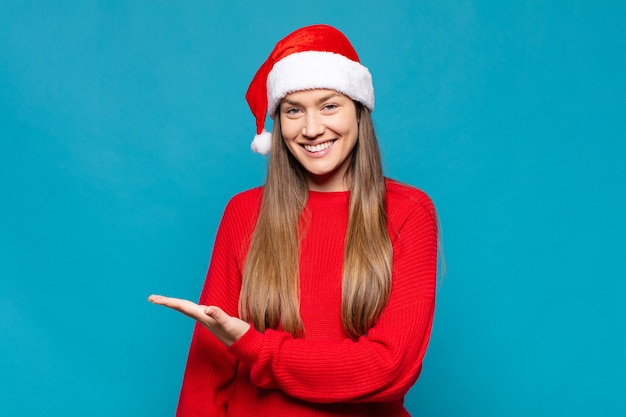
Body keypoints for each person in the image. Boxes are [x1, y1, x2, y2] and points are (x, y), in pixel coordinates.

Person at [149, 24, 440, 417]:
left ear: (359, 110)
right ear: (278, 123)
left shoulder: (407, 211)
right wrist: (238, 343)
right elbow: (207, 375)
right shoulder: (244, 212)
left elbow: (389, 368)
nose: (311, 128)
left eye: (329, 105)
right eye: (293, 111)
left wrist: (253, 346)